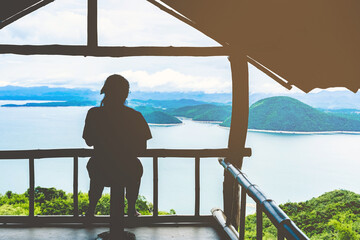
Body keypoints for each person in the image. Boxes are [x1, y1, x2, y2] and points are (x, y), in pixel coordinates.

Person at [83, 74, 152, 218]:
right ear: (126, 94)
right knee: (135, 167)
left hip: (100, 168)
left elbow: (89, 141)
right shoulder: (135, 116)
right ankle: (131, 209)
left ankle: (91, 210)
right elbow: (142, 149)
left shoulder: (93, 114)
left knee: (97, 170)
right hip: (128, 171)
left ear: (105, 91)